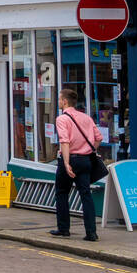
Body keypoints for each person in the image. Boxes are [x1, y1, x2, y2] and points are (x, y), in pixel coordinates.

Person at [52, 88, 102, 241]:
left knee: (61, 192)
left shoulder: (62, 119)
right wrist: (89, 149)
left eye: (60, 99)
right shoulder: (86, 117)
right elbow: (98, 138)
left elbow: (64, 141)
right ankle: (91, 233)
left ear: (65, 101)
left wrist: (66, 163)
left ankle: (64, 229)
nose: (59, 102)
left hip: (70, 159)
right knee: (86, 195)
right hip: (85, 160)